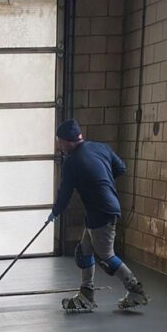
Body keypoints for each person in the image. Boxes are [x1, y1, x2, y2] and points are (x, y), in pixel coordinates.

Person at [48, 119, 148, 312]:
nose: (58, 145)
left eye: (59, 141)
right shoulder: (101, 148)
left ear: (68, 141)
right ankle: (86, 295)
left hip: (102, 211)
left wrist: (55, 212)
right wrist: (101, 180)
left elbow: (65, 192)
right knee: (85, 250)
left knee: (106, 255)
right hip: (100, 208)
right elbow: (120, 168)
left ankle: (135, 290)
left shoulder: (72, 162)